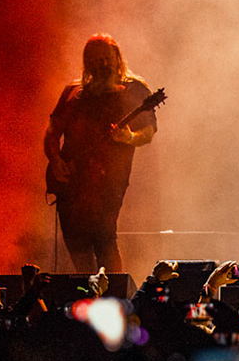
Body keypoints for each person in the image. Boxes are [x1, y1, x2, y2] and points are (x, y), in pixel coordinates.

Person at [44, 33, 157, 275]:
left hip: (109, 180)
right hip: (70, 181)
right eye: (96, 59)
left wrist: (129, 137)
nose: (103, 64)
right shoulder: (73, 92)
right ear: (87, 62)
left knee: (104, 237)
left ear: (117, 58)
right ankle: (88, 290)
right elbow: (52, 132)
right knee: (76, 242)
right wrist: (55, 159)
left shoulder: (134, 90)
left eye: (107, 58)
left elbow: (148, 132)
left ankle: (113, 291)